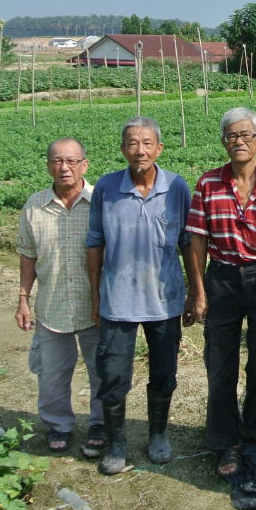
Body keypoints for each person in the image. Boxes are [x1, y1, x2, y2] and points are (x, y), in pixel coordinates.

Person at [184, 107, 256, 479]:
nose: (239, 142)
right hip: (223, 277)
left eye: (246, 135)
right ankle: (225, 441)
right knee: (220, 363)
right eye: (232, 136)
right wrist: (198, 290)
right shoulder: (208, 184)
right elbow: (196, 241)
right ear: (223, 142)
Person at [87, 116, 193, 475]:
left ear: (159, 149)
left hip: (165, 300)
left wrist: (196, 292)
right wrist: (95, 295)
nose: (140, 150)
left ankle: (158, 434)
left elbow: (188, 243)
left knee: (164, 373)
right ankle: (117, 444)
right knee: (113, 375)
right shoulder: (106, 188)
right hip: (118, 300)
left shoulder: (177, 187)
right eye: (132, 143)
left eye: (147, 143)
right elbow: (94, 242)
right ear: (122, 149)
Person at [16, 137, 106, 457]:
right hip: (51, 306)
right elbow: (28, 255)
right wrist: (23, 297)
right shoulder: (34, 205)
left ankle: (99, 424)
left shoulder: (101, 201)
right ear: (48, 166)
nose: (64, 167)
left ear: (85, 165)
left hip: (94, 305)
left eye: (71, 161)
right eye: (57, 161)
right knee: (51, 373)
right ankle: (58, 424)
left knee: (101, 370)